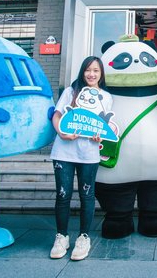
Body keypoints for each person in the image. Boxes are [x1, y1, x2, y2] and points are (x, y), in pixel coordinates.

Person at [49, 56, 113, 260]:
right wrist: (61, 133)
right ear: (82, 72)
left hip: (89, 153)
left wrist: (99, 136)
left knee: (87, 195)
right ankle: (61, 237)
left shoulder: (106, 96)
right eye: (88, 70)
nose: (91, 74)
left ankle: (84, 237)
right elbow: (56, 115)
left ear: (101, 74)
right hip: (63, 152)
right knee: (63, 195)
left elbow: (104, 126)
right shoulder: (71, 91)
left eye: (96, 70)